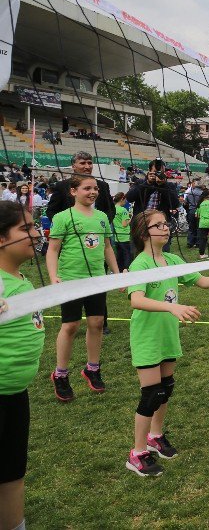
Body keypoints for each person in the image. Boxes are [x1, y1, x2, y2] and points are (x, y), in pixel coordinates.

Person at [124, 209, 209, 476]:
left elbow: (203, 280)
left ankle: (156, 436)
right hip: (147, 338)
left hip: (167, 336)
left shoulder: (173, 259)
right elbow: (136, 300)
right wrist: (171, 308)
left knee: (165, 389)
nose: (165, 228)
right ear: (143, 233)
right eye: (158, 225)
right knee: (150, 395)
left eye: (166, 223)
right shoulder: (140, 263)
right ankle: (137, 452)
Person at [45, 175, 120, 402]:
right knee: (71, 326)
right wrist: (53, 276)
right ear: (73, 191)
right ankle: (61, 374)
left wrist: (116, 274)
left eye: (95, 188)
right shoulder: (62, 217)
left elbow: (107, 247)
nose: (92, 192)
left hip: (96, 280)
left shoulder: (102, 218)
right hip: (71, 280)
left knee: (96, 323)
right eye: (87, 188)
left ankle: (92, 368)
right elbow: (52, 250)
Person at [0, 203, 45, 530]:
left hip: (16, 395)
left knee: (12, 473)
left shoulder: (20, 280)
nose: (36, 233)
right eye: (25, 229)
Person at [111, 192, 134, 272]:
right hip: (124, 236)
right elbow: (124, 224)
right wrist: (131, 218)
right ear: (122, 199)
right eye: (125, 200)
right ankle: (126, 270)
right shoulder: (123, 210)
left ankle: (119, 270)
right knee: (128, 255)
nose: (126, 202)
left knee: (119, 255)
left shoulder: (113, 209)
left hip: (117, 236)